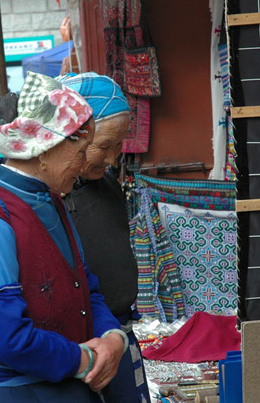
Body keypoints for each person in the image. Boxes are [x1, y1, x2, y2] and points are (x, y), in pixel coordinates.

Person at [0, 72, 127, 403]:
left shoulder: (50, 199)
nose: (85, 165)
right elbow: (7, 337)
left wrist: (113, 338)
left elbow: (84, 286)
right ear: (44, 149)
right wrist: (87, 360)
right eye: (81, 151)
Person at [59, 72, 151, 402]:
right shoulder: (51, 199)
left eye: (118, 146)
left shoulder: (105, 182)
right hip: (83, 350)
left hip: (120, 336)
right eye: (103, 147)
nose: (112, 158)